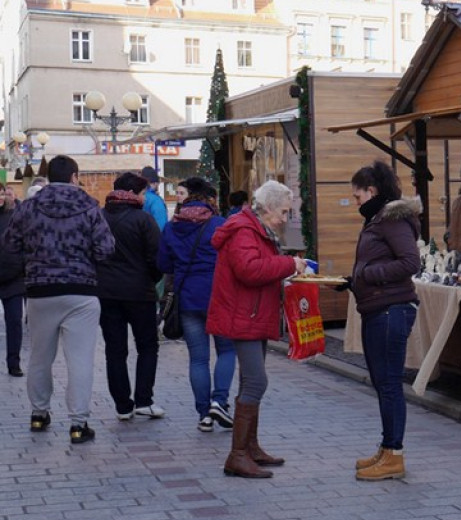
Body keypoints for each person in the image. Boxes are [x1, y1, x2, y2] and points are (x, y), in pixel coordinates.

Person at [3, 155, 115, 444]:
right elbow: (106, 249)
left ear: (50, 177)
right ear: (75, 177)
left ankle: (39, 414)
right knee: (80, 360)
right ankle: (78, 424)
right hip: (81, 291)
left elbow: (10, 244)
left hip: (40, 290)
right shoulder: (89, 206)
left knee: (40, 356)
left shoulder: (28, 207)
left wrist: (34, 257)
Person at [207, 180, 306, 478]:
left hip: (252, 314)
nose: (285, 219)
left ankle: (250, 447)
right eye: (284, 212)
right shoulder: (244, 230)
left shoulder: (255, 228)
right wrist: (289, 264)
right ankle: (237, 455)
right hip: (244, 315)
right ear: (269, 208)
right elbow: (249, 270)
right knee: (256, 382)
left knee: (249, 381)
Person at [349, 160, 420, 481]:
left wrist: (368, 275)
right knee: (382, 382)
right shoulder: (377, 219)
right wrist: (352, 280)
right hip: (378, 308)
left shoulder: (392, 219)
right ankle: (387, 446)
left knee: (389, 383)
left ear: (372, 190)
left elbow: (410, 262)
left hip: (392, 310)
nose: (356, 202)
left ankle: (394, 455)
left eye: (357, 196)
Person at [158, 176, 236, 433]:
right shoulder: (219, 224)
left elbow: (163, 264)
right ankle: (219, 402)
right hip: (219, 296)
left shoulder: (171, 227)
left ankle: (204, 415)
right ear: (208, 198)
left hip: (188, 298)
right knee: (226, 351)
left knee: (198, 359)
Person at [97, 172, 164, 420]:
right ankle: (144, 400)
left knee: (115, 349)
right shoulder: (143, 219)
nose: (145, 197)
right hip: (140, 293)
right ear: (133, 193)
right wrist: (151, 279)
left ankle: (123, 405)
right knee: (147, 346)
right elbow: (156, 258)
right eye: (143, 193)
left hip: (106, 293)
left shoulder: (99, 217)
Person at [0, 182, 25, 377]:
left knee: (15, 321)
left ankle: (14, 363)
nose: (0, 198)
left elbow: (25, 243)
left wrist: (21, 265)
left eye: (1, 194)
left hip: (14, 279)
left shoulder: (15, 217)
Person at [140, 166, 168, 231]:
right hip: (153, 235)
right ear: (155, 183)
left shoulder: (137, 196)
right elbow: (161, 225)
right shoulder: (156, 200)